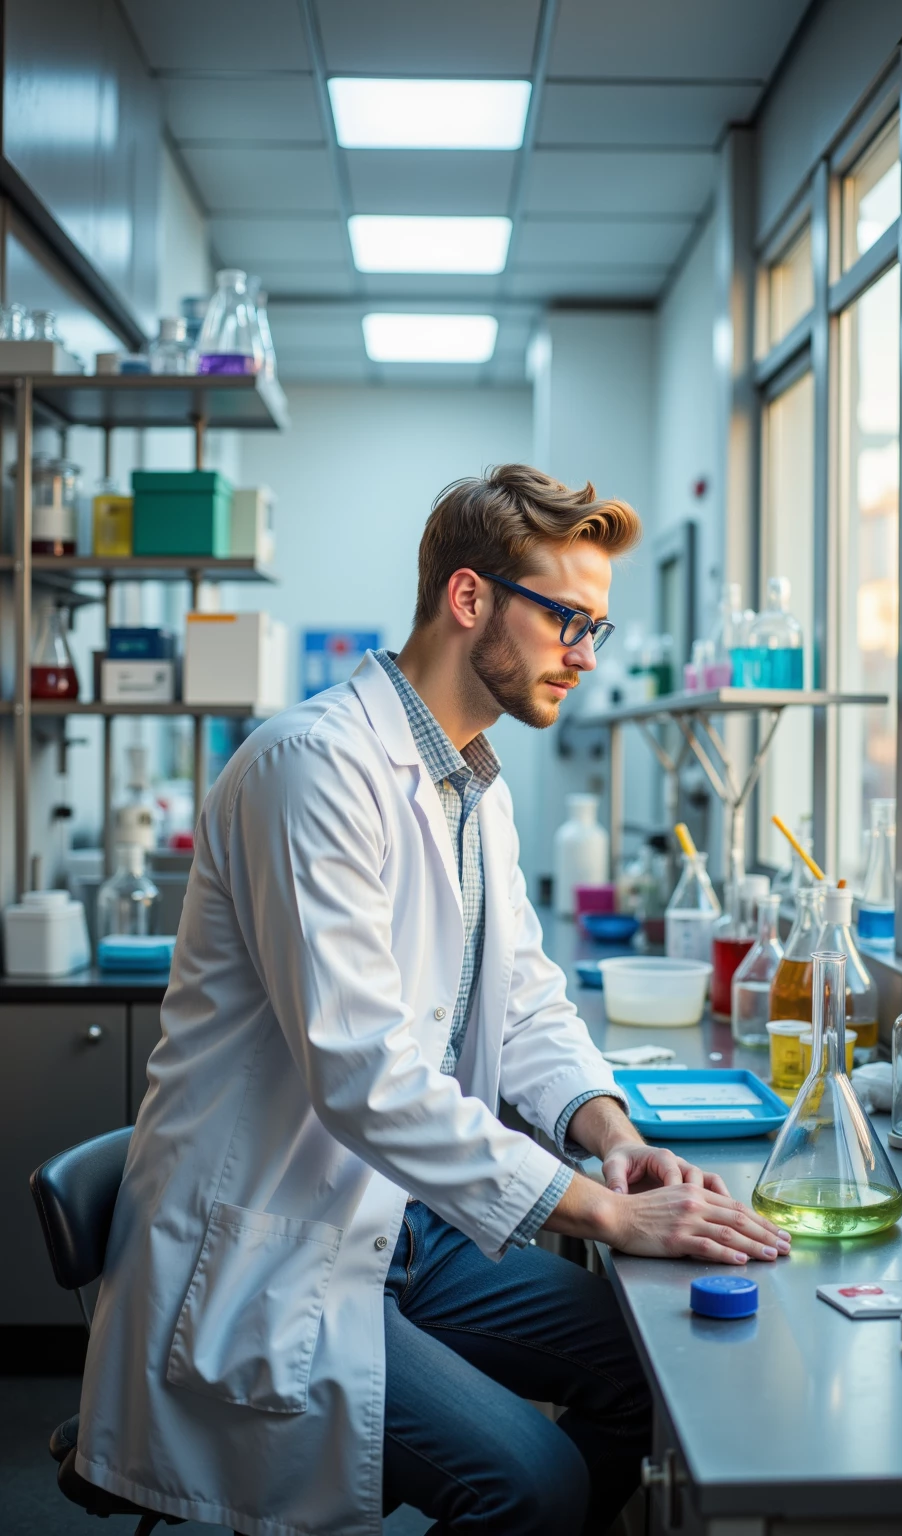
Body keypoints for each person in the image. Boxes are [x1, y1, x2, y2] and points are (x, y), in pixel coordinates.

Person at [77, 465, 789, 1536]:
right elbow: (367, 1076)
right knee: (533, 1486)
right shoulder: (312, 769)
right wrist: (599, 1211)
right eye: (568, 622)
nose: (586, 656)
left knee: (650, 1372)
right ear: (470, 600)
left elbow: (520, 1003)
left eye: (595, 627)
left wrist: (610, 1136)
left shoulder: (468, 784)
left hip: (404, 1224)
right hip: (275, 1248)